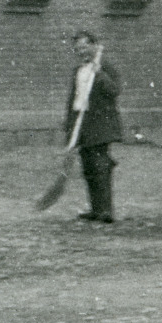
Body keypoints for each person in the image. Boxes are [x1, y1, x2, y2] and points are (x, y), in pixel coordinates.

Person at [64, 31, 123, 222]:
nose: (81, 52)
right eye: (77, 49)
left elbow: (115, 91)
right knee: (88, 166)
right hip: (83, 125)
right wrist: (69, 127)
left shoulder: (105, 66)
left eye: (84, 47)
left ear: (94, 46)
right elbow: (74, 100)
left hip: (101, 124)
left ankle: (106, 210)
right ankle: (95, 209)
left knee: (101, 165)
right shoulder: (78, 70)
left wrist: (100, 74)